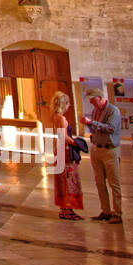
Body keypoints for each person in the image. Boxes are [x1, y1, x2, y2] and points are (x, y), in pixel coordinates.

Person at [84, 89, 123, 224]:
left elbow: (111, 128)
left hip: (109, 150)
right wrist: (90, 126)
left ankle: (117, 213)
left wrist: (92, 123)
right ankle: (106, 211)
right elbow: (96, 128)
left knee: (114, 183)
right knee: (100, 182)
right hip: (97, 149)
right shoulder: (95, 111)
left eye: (93, 100)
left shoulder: (113, 111)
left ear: (100, 98)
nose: (91, 103)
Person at [51, 92, 83, 220]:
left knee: (62, 181)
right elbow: (64, 137)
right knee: (68, 180)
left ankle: (64, 209)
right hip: (65, 152)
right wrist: (78, 143)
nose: (69, 106)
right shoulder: (61, 119)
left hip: (59, 151)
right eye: (68, 103)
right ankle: (67, 209)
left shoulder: (54, 116)